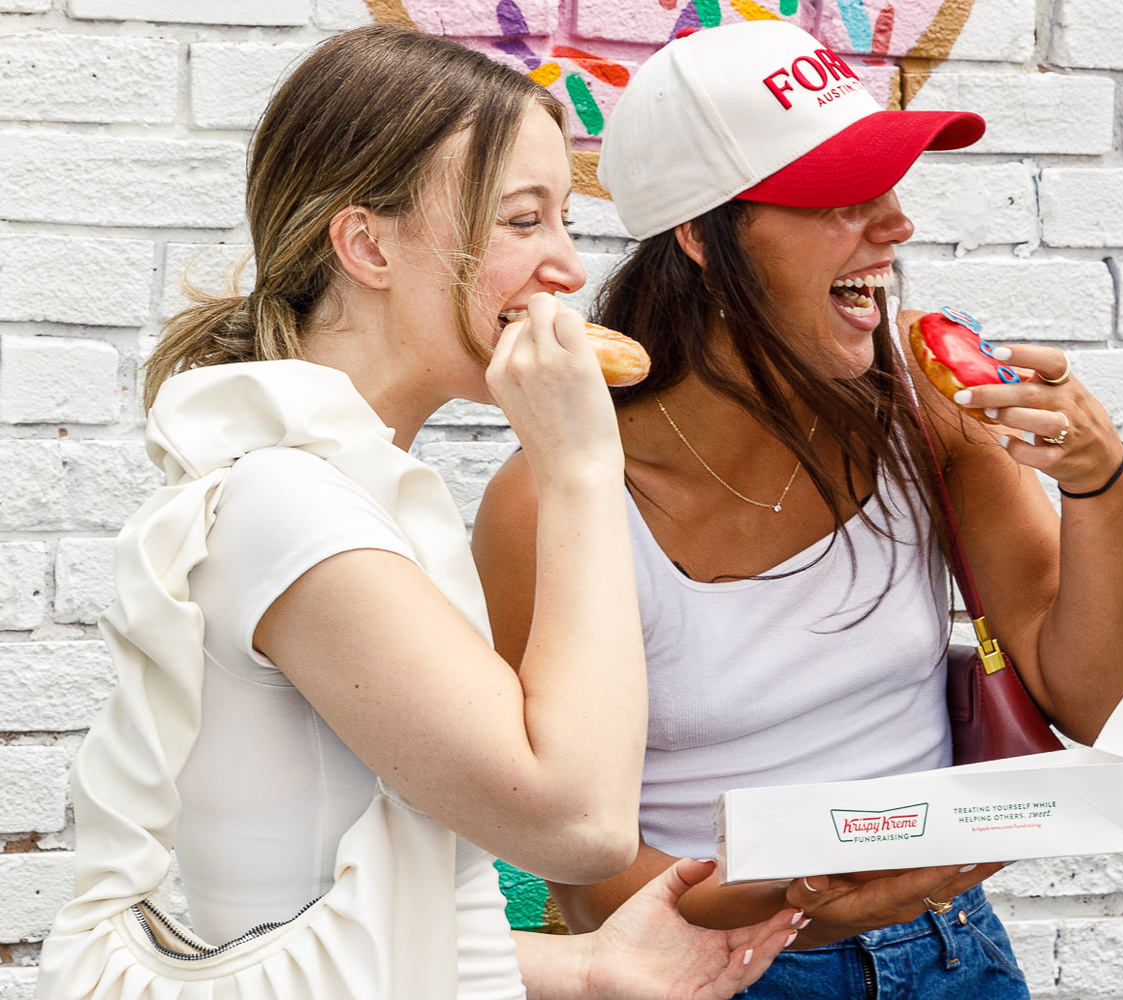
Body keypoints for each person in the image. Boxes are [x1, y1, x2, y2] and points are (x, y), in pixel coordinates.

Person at [36, 24, 798, 1000]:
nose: (568, 265)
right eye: (524, 221)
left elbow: (319, 919)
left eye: (563, 219)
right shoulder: (291, 507)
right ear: (367, 245)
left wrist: (590, 961)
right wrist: (575, 469)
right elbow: (580, 820)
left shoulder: (342, 488)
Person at [471, 20, 1123, 999]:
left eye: (887, 183)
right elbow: (578, 872)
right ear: (703, 236)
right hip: (719, 967)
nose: (895, 223)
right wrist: (807, 905)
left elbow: (1091, 697)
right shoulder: (557, 498)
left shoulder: (927, 417)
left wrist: (1097, 482)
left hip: (955, 950)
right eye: (838, 197)